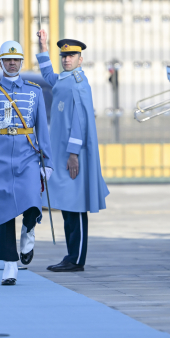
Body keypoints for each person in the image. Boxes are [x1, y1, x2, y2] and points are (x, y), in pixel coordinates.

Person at [0, 41, 53, 285]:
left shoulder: (34, 91)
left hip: (28, 155)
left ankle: (29, 230)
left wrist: (48, 161)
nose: (12, 63)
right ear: (0, 62)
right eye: (8, 59)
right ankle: (10, 264)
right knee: (4, 213)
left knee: (32, 201)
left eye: (17, 59)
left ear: (21, 62)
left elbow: (43, 127)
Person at [36, 31, 109, 272]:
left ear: (81, 58)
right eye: (63, 55)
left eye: (71, 55)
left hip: (72, 155)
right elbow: (48, 75)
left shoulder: (78, 84)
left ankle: (76, 259)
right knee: (68, 205)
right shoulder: (65, 79)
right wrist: (43, 47)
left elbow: (80, 120)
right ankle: (71, 255)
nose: (66, 59)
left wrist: (74, 153)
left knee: (75, 205)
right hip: (64, 154)